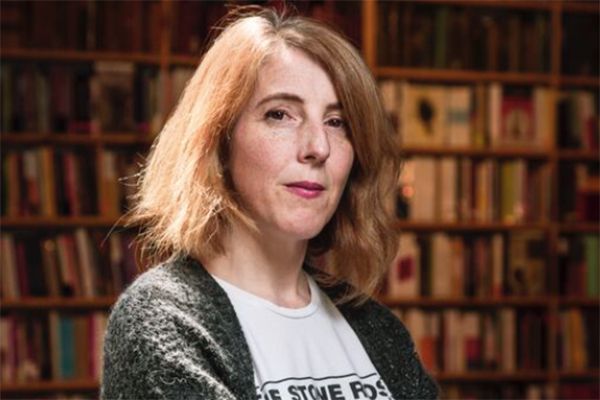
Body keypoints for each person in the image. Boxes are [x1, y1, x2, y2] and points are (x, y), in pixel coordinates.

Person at [101, 6, 438, 400]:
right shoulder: (162, 320)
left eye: (337, 122)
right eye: (280, 115)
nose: (318, 147)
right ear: (219, 140)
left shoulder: (376, 327)